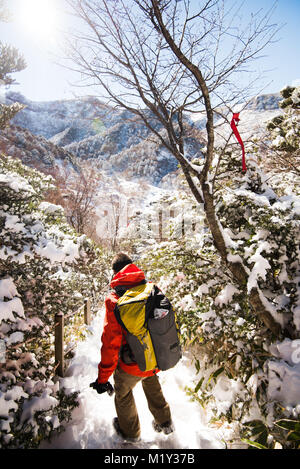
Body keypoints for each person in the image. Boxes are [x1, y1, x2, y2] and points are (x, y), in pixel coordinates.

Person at [91, 252, 174, 442]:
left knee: (123, 393)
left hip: (130, 364)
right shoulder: (151, 288)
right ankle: (165, 421)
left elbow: (111, 344)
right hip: (154, 357)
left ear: (115, 273)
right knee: (151, 381)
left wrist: (103, 377)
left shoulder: (114, 300)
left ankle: (131, 433)